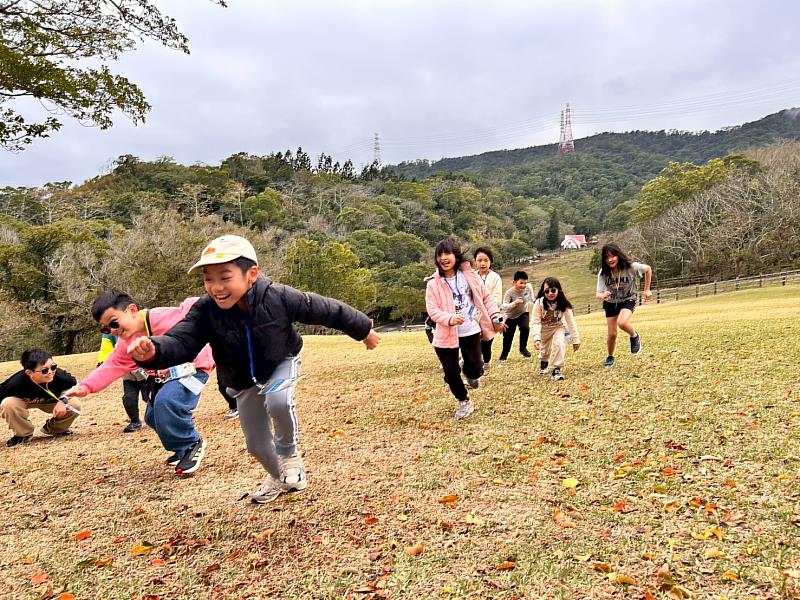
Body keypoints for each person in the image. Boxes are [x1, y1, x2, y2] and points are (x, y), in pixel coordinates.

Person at [126, 234, 381, 504]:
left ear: (252, 274)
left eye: (225, 277)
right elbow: (183, 340)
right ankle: (280, 477)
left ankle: (289, 454)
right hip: (241, 379)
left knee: (278, 401)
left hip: (281, 361)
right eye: (208, 279)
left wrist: (364, 330)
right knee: (256, 445)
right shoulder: (205, 310)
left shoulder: (278, 296)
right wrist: (154, 350)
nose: (216, 287)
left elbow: (327, 310)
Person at [65, 291, 215, 475]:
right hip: (163, 377)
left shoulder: (162, 317)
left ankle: (192, 443)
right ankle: (182, 449)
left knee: (166, 403)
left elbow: (193, 312)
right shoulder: (125, 343)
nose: (113, 331)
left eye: (114, 322)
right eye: (106, 329)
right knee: (152, 417)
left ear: (132, 310)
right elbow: (113, 365)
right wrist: (86, 387)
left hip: (193, 369)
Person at [425, 238, 505, 420]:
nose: (444, 258)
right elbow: (433, 310)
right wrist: (450, 319)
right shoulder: (433, 284)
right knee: (450, 373)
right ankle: (464, 401)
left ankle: (470, 370)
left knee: (476, 369)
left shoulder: (470, 276)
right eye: (440, 255)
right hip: (446, 335)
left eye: (448, 254)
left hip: (470, 330)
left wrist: (495, 316)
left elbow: (486, 298)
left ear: (456, 255)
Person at [0, 349, 81, 447]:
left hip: (52, 400)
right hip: (24, 401)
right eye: (45, 370)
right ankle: (23, 434)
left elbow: (74, 386)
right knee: (8, 404)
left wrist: (63, 401)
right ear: (29, 372)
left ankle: (55, 429)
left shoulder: (60, 377)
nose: (51, 372)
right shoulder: (15, 383)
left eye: (53, 367)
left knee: (74, 404)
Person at [595, 243, 652, 368]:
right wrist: (603, 295)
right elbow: (597, 294)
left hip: (627, 299)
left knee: (622, 322)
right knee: (612, 334)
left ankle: (634, 336)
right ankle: (610, 356)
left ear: (618, 255)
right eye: (607, 257)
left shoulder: (630, 267)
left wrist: (647, 289)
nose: (610, 260)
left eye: (613, 256)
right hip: (610, 303)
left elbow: (648, 269)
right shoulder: (603, 273)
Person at [96, 332, 151, 433]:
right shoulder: (109, 333)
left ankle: (159, 417)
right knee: (128, 399)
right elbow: (106, 349)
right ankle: (135, 422)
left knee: (148, 396)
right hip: (128, 375)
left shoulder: (138, 326)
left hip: (145, 372)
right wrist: (103, 362)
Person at [531, 277, 581, 381]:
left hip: (558, 327)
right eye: (547, 291)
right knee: (544, 350)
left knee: (559, 343)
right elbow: (535, 321)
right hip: (544, 329)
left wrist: (575, 340)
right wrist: (536, 338)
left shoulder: (564, 304)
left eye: (553, 290)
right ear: (543, 292)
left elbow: (570, 322)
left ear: (558, 290)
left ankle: (556, 369)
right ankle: (544, 362)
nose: (550, 293)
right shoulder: (539, 303)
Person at [473, 247, 503, 372]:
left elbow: (497, 298)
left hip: (490, 315)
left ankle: (486, 362)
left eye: (486, 260)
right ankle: (474, 363)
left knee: (486, 342)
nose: (482, 263)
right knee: (473, 341)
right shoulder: (472, 276)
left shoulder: (495, 277)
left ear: (490, 261)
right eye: (479, 260)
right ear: (475, 261)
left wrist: (489, 311)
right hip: (474, 315)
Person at [499, 271, 533, 361]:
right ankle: (504, 355)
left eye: (525, 283)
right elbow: (504, 306)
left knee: (525, 328)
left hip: (523, 313)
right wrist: (515, 303)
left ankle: (523, 349)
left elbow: (531, 299)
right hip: (510, 316)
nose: (523, 285)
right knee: (508, 337)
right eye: (521, 283)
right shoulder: (509, 292)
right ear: (514, 282)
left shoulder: (528, 287)